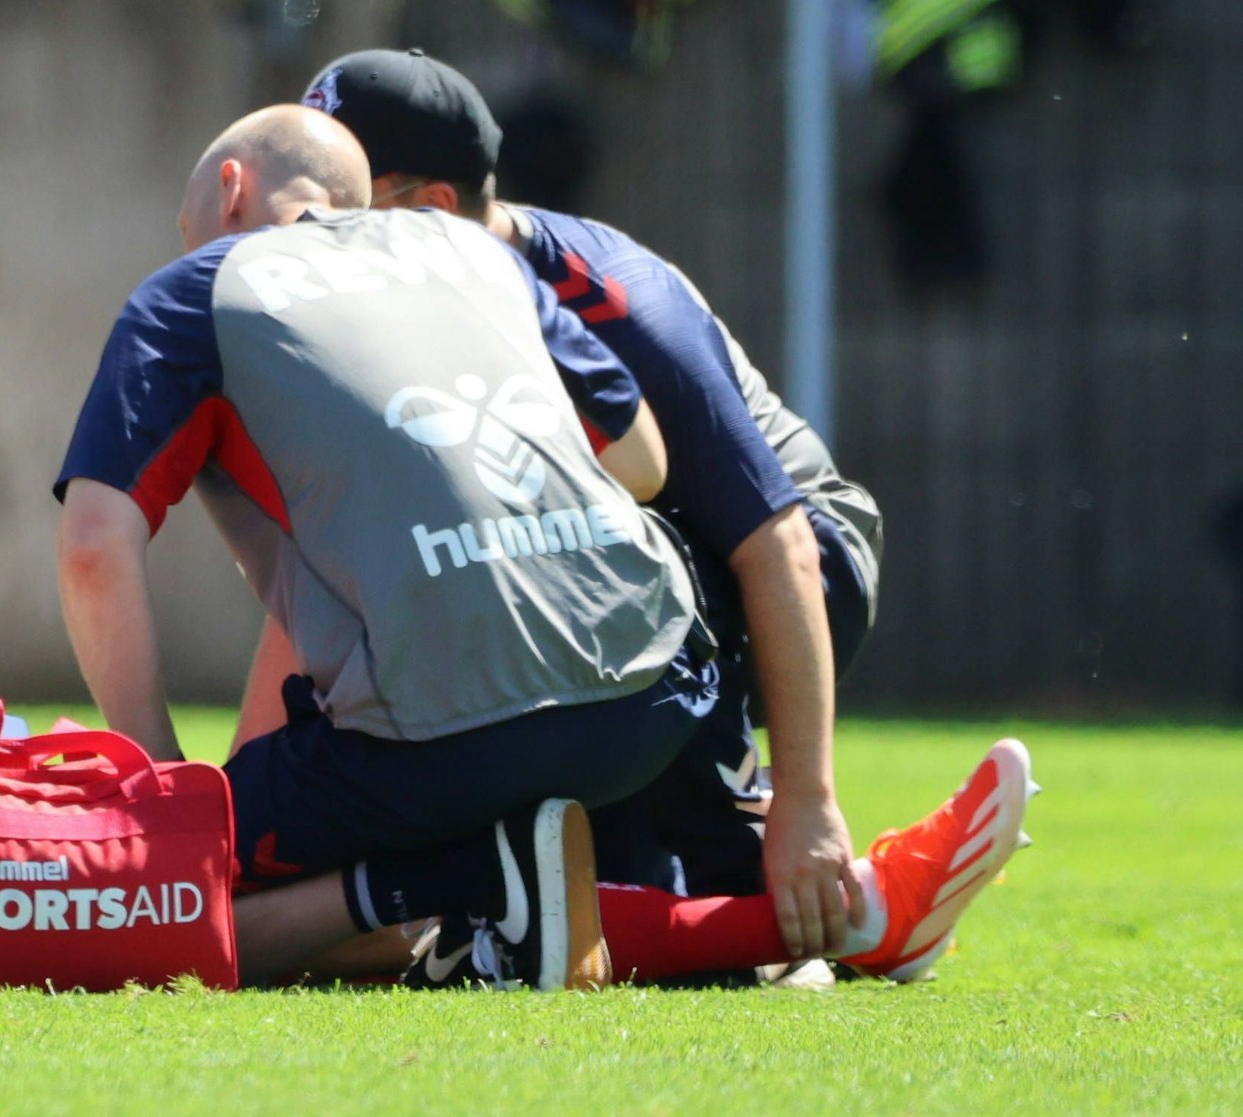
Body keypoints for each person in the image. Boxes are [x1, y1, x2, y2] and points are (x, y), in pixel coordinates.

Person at [56, 105, 1024, 989]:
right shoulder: (477, 252)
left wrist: (163, 794)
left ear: (230, 190)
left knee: (171, 907)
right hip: (651, 697)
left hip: (443, 735)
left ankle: (447, 881)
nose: (186, 242)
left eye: (187, 222)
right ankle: (854, 911)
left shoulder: (195, 291)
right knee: (545, 894)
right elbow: (642, 460)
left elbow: (94, 545)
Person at [301, 49, 887, 963]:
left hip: (801, 560)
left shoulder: (617, 301)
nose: (309, 235)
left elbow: (779, 545)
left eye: (339, 204)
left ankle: (753, 851)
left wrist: (812, 806)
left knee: (571, 547)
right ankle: (808, 911)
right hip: (634, 580)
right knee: (582, 898)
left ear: (430, 208)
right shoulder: (391, 309)